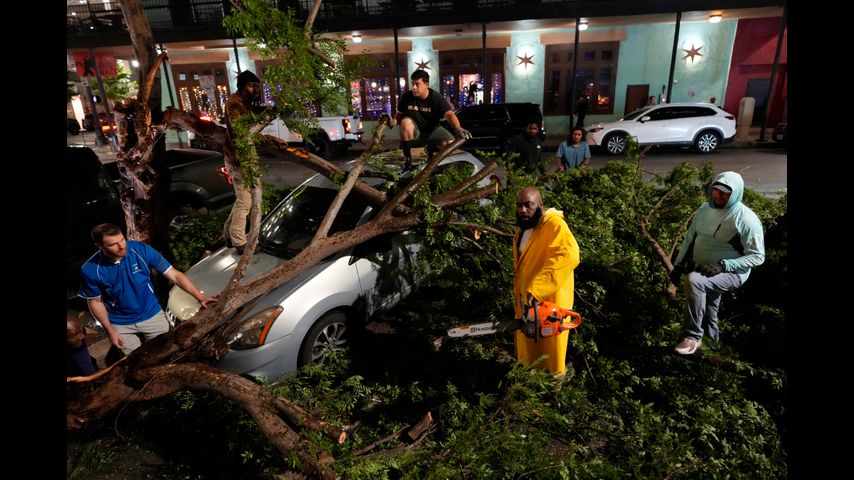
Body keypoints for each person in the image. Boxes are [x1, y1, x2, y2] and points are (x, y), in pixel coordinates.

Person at [78, 223, 218, 355]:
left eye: (122, 240)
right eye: (113, 244)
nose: (121, 246)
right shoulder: (90, 269)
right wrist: (110, 331)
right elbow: (95, 302)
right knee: (135, 362)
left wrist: (200, 297)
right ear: (99, 246)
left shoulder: (140, 250)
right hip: (120, 323)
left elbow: (174, 275)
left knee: (165, 353)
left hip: (151, 314)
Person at [669, 172, 765, 354]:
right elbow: (690, 238)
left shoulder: (746, 219)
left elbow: (758, 257)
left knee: (694, 281)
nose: (719, 196)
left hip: (732, 273)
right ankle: (711, 348)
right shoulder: (704, 209)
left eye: (725, 193)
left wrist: (723, 265)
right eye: (716, 191)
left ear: (735, 194)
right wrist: (678, 265)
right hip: (705, 268)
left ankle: (692, 338)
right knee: (709, 311)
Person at [513, 188, 580, 371]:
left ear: (540, 205)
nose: (523, 210)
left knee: (551, 356)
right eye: (519, 205)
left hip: (549, 304)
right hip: (527, 302)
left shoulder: (554, 224)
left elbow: (568, 254)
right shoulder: (523, 230)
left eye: (528, 205)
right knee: (529, 352)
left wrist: (538, 288)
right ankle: (529, 384)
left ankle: (553, 391)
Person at [379, 70, 471, 168]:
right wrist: (390, 122)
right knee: (405, 122)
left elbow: (449, 114)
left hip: (432, 130)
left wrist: (457, 128)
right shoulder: (406, 97)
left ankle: (430, 148)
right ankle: (408, 159)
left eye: (417, 84)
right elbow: (398, 117)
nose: (414, 87)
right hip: (415, 132)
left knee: (450, 144)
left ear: (426, 85)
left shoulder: (436, 98)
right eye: (413, 84)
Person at [223, 70, 263, 255]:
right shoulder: (234, 105)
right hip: (239, 160)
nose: (254, 89)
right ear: (241, 86)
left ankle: (229, 235)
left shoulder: (243, 103)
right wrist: (268, 137)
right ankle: (239, 241)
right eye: (250, 85)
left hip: (242, 157)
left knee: (242, 199)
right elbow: (242, 133)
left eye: (256, 86)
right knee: (245, 201)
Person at [67, 313, 96, 377]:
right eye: (76, 334)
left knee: (89, 371)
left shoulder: (79, 337)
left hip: (76, 347)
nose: (82, 336)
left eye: (81, 331)